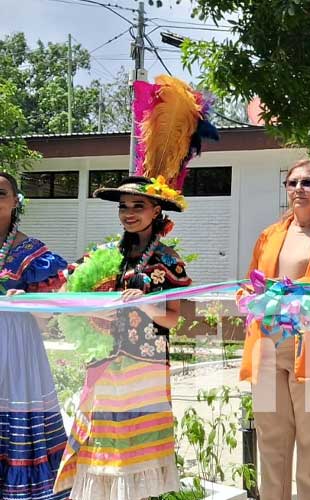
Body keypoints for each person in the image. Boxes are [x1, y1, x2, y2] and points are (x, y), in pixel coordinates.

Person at [53, 176, 191, 499]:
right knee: (102, 448)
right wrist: (92, 313)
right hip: (104, 364)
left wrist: (145, 307)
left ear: (156, 210)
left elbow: (171, 318)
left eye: (138, 206)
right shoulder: (105, 256)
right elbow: (72, 295)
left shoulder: (169, 261)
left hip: (145, 367)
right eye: (123, 207)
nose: (129, 213)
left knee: (136, 452)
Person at [239, 158, 310, 500]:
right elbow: (253, 282)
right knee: (271, 442)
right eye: (292, 183)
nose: (298, 189)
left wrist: (285, 286)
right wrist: (246, 295)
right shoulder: (269, 235)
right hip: (267, 348)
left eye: (307, 183)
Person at [0, 172, 71, 500]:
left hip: (16, 346)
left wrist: (28, 301)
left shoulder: (32, 252)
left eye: (1, 193)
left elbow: (47, 313)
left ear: (16, 202)